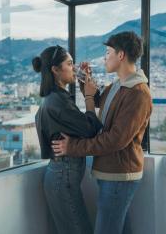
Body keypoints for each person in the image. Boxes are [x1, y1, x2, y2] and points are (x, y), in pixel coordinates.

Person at [52, 31, 153, 234]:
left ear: (121, 55)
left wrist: (73, 147)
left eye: (108, 52)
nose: (105, 57)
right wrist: (84, 79)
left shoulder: (138, 93)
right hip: (112, 171)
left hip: (119, 175)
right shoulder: (118, 85)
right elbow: (98, 100)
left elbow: (114, 140)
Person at [32, 45, 102, 234]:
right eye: (70, 64)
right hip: (62, 176)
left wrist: (84, 83)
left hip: (60, 174)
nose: (74, 67)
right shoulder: (58, 101)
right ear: (55, 70)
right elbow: (91, 129)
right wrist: (88, 96)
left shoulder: (53, 98)